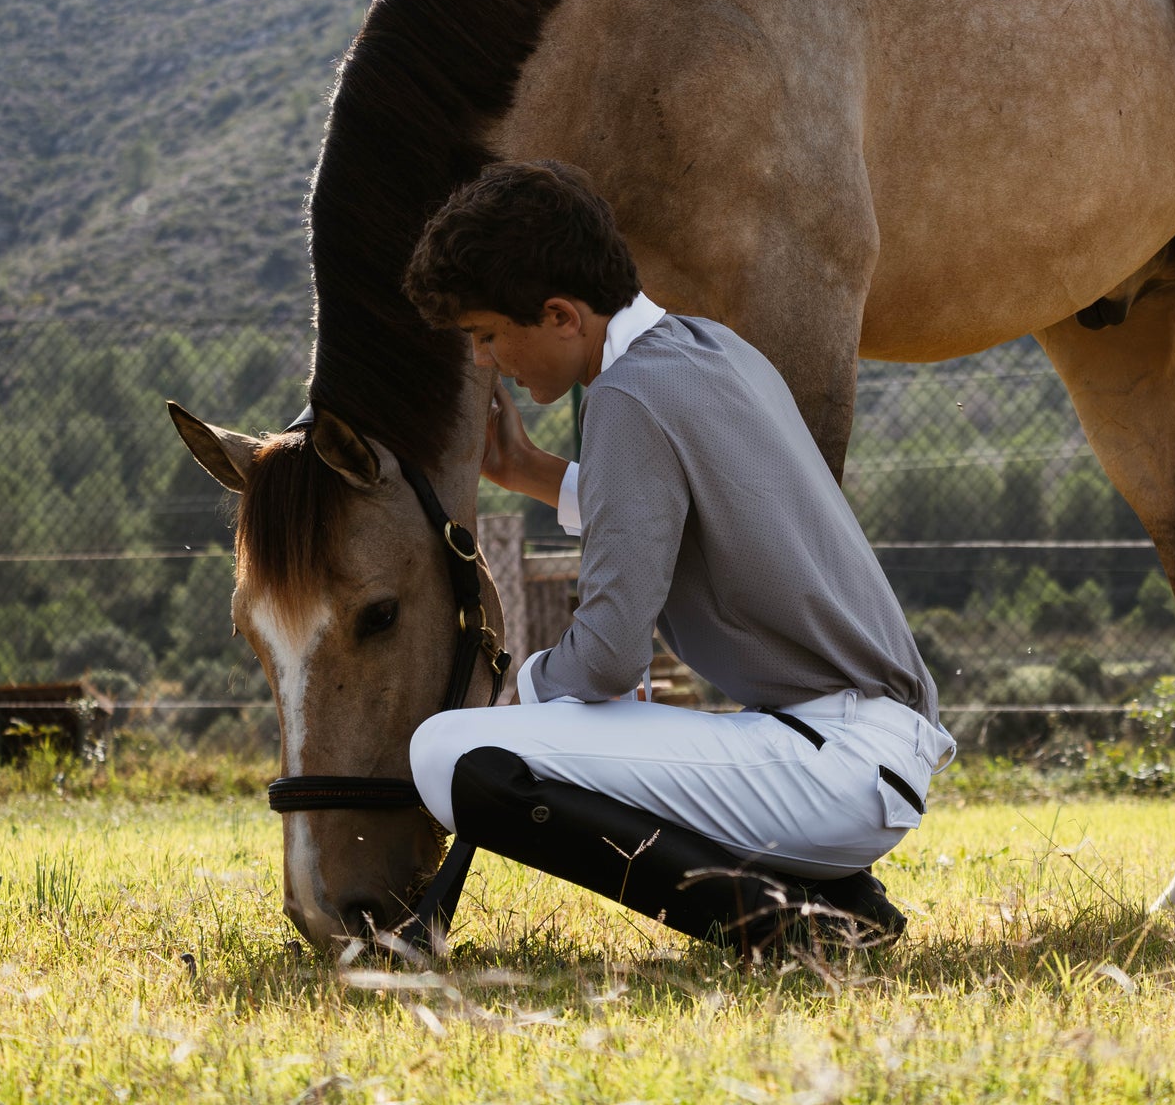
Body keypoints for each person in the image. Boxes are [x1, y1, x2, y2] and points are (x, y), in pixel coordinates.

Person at [400, 160, 955, 952]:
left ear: (561, 315)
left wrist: (513, 691)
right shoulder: (701, 351)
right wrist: (530, 473)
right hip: (860, 756)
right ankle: (832, 897)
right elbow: (676, 509)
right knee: (490, 741)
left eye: (488, 334)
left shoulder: (626, 397)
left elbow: (604, 660)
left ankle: (790, 926)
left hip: (830, 767)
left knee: (451, 749)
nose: (485, 361)